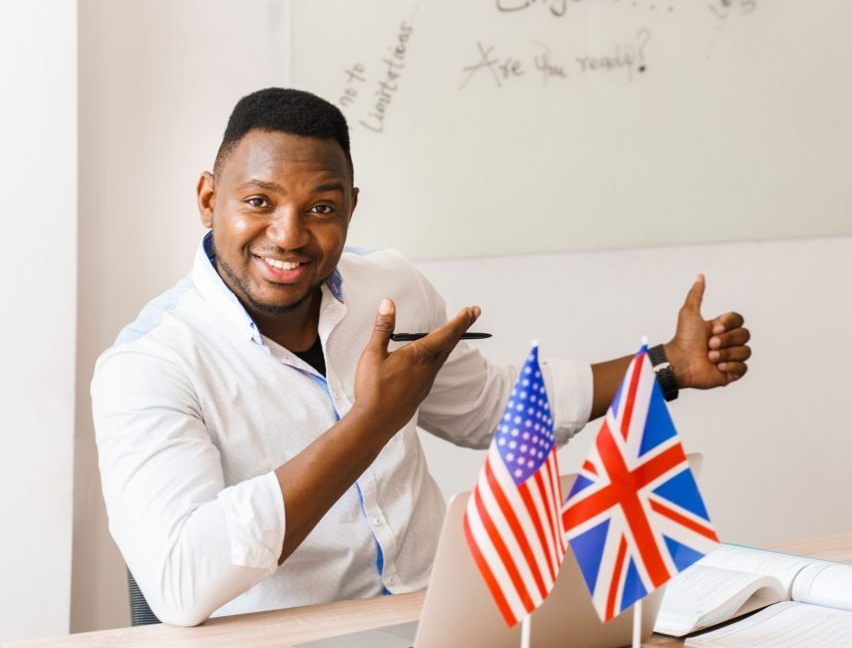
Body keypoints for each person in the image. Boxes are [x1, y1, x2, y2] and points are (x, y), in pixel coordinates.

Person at [92, 88, 751, 626]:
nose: (288, 235)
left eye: (321, 206)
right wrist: (370, 423)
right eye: (258, 202)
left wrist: (666, 365)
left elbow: (490, 409)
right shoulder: (148, 366)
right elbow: (180, 583)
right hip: (288, 636)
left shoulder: (392, 288)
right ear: (210, 199)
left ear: (352, 206)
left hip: (438, 617)